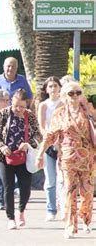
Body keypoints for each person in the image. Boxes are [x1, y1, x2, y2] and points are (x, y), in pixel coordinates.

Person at [36, 82, 95, 239]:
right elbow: (50, 135)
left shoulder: (87, 111)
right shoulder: (60, 113)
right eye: (71, 93)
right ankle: (70, 226)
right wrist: (40, 154)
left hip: (87, 159)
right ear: (64, 96)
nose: (75, 96)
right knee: (69, 192)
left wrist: (90, 111)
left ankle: (85, 217)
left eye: (78, 92)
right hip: (67, 159)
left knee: (87, 193)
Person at [0, 89, 41, 230]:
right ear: (12, 101)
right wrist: (1, 146)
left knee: (25, 187)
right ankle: (10, 218)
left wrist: (28, 144)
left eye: (22, 106)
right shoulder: (4, 114)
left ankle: (21, 211)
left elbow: (38, 135)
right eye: (16, 105)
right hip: (5, 156)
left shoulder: (29, 116)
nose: (19, 109)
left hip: (24, 156)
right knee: (8, 187)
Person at [36, 77, 63, 222]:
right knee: (50, 179)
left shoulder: (64, 104)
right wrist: (48, 137)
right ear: (46, 89)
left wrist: (58, 140)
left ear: (60, 88)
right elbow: (41, 125)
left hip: (62, 145)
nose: (53, 89)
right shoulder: (43, 105)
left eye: (55, 86)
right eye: (50, 86)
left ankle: (62, 206)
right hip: (48, 145)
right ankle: (50, 209)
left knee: (62, 179)